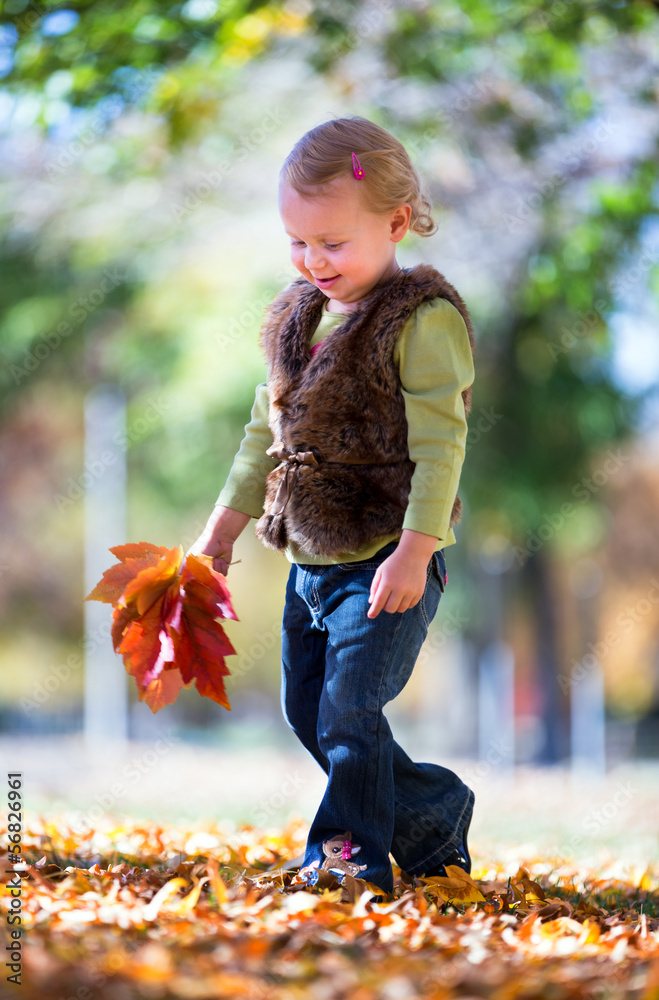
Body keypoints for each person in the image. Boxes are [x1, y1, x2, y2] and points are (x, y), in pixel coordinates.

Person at [189, 115, 476, 899]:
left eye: (333, 243)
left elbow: (441, 444)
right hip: (310, 565)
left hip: (385, 556)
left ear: (393, 222)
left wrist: (415, 549)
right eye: (297, 242)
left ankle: (344, 860)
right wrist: (219, 534)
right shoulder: (299, 319)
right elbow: (264, 433)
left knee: (350, 711)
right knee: (309, 714)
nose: (313, 261)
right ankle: (434, 810)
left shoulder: (420, 321)